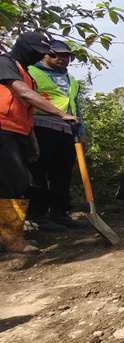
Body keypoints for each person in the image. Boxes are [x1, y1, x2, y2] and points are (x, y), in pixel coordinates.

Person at [0, 31, 78, 254]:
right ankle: (12, 239)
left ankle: (8, 236)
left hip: (18, 131)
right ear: (24, 48)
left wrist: (31, 140)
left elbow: (27, 109)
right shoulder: (6, 62)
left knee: (15, 182)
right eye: (39, 52)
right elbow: (23, 94)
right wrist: (60, 114)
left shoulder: (28, 74)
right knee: (14, 182)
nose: (40, 56)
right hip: (3, 128)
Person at [26, 40, 84, 230]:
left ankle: (60, 213)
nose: (63, 59)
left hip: (67, 131)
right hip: (40, 126)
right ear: (45, 54)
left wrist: (81, 133)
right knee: (38, 172)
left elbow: (76, 107)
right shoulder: (31, 72)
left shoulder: (72, 80)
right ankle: (37, 215)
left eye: (67, 56)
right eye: (57, 54)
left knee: (62, 174)